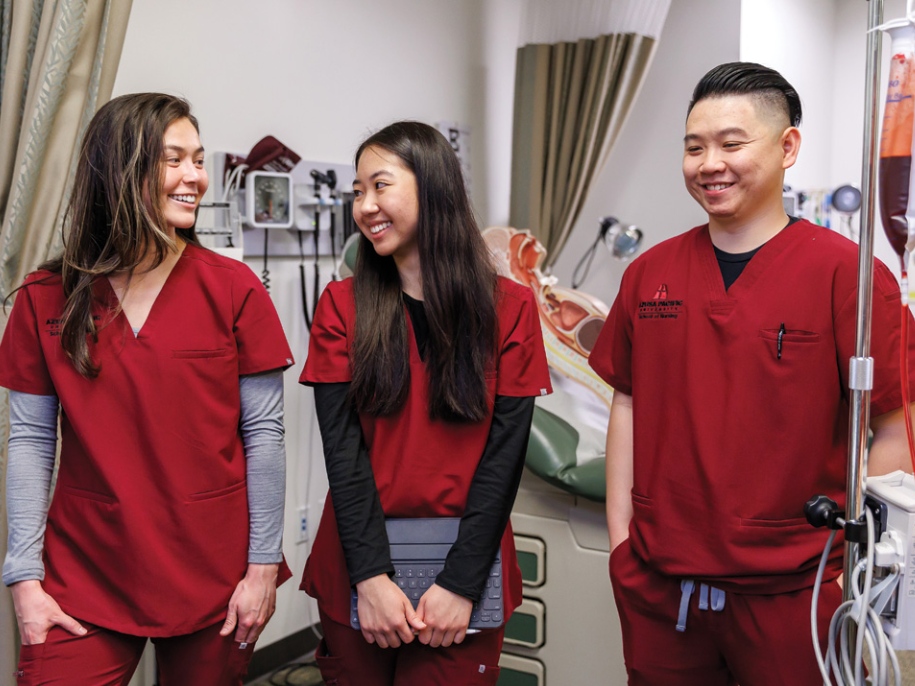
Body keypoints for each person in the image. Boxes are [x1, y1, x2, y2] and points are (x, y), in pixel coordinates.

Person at [589, 62, 915, 685]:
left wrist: (857, 569)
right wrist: (621, 542)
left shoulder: (850, 277)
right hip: (663, 591)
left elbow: (895, 426)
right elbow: (626, 403)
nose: (710, 163)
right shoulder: (649, 274)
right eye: (694, 147)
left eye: (732, 143)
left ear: (787, 145)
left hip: (797, 593)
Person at [0, 93, 294, 685]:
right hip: (85, 570)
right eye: (174, 159)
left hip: (213, 571)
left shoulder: (234, 290)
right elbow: (31, 439)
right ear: (119, 171)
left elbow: (265, 434)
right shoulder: (44, 296)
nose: (196, 177)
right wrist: (24, 577)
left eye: (199, 159)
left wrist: (262, 570)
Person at [299, 120, 551, 685]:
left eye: (380, 185)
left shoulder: (509, 309)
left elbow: (503, 459)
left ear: (432, 186)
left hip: (466, 568)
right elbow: (343, 454)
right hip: (359, 566)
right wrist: (371, 578)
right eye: (357, 191)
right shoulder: (342, 307)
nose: (365, 206)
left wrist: (461, 583)